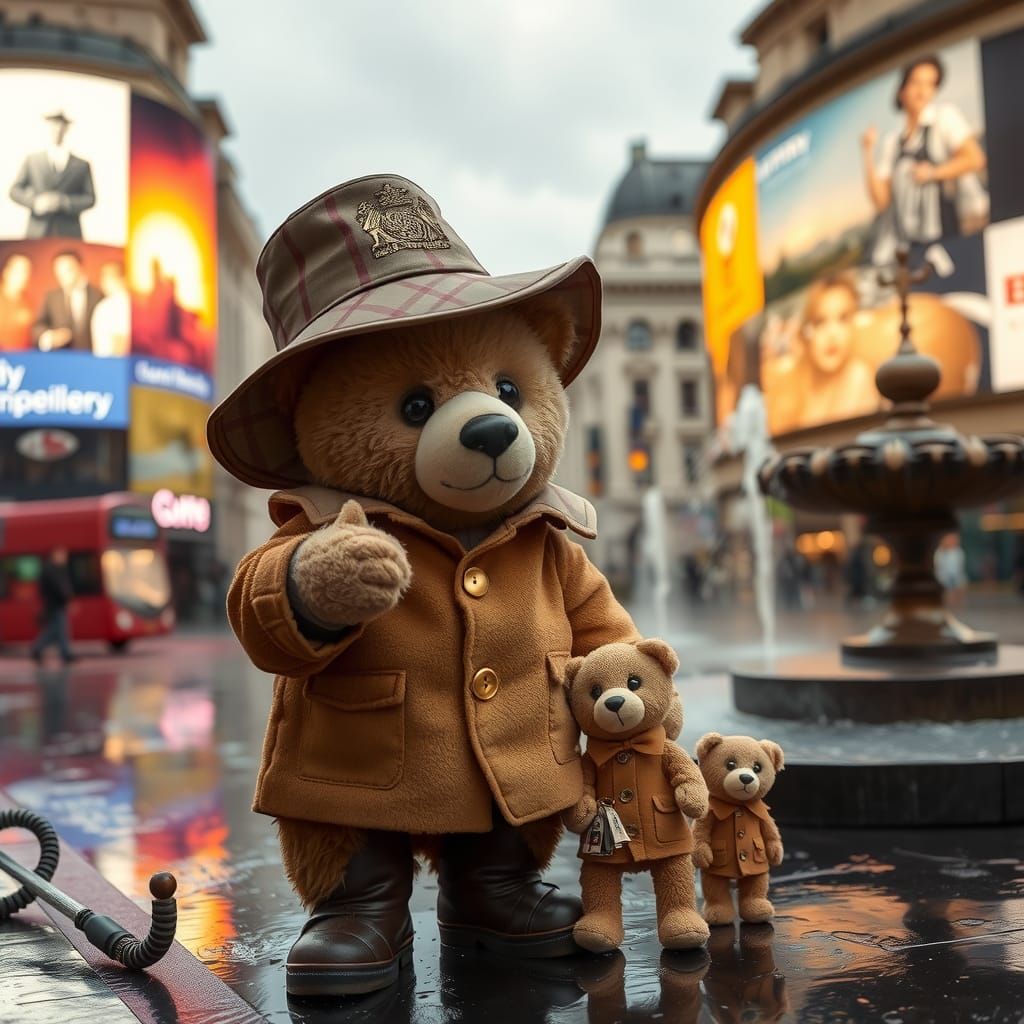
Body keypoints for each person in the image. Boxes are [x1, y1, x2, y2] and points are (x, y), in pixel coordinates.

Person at [861, 55, 988, 269]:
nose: (923, 92)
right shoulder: (892, 142)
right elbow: (881, 201)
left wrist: (932, 173)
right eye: (916, 83)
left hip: (950, 238)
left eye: (930, 84)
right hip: (909, 251)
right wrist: (867, 152)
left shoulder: (944, 118)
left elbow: (975, 159)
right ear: (902, 90)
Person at [772, 273, 877, 431]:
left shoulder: (859, 375)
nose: (832, 334)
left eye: (843, 319)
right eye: (820, 321)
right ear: (806, 331)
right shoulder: (798, 385)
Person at [9, 110, 96, 239]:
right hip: (37, 231)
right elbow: (14, 191)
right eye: (53, 125)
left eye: (61, 125)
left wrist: (66, 202)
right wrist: (35, 202)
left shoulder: (82, 165)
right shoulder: (32, 160)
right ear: (48, 127)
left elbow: (90, 198)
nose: (57, 129)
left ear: (66, 129)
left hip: (69, 231)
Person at [32, 249, 102, 352]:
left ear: (80, 267)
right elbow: (38, 326)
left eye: (67, 270)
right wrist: (49, 336)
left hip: (91, 358)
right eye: (58, 271)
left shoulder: (98, 295)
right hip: (60, 358)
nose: (62, 275)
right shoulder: (51, 297)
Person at [30, 547, 75, 665]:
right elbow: (60, 588)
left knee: (57, 630)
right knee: (59, 630)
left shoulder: (53, 569)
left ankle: (40, 650)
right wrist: (68, 601)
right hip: (55, 605)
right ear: (55, 555)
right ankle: (40, 649)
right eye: (62, 555)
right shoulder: (53, 570)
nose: (64, 558)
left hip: (54, 604)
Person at [89, 260, 131, 356]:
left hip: (110, 365)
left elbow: (119, 341)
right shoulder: (132, 304)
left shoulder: (110, 306)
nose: (102, 283)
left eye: (105, 277)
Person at [0, 252, 34, 350]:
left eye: (27, 271)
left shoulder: (28, 300)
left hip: (23, 358)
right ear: (6, 272)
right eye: (19, 271)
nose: (25, 276)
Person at [934, 533, 968, 607]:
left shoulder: (958, 551)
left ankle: (959, 607)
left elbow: (960, 566)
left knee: (960, 590)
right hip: (944, 576)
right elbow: (938, 565)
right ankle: (950, 607)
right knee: (948, 593)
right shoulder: (940, 552)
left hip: (956, 575)